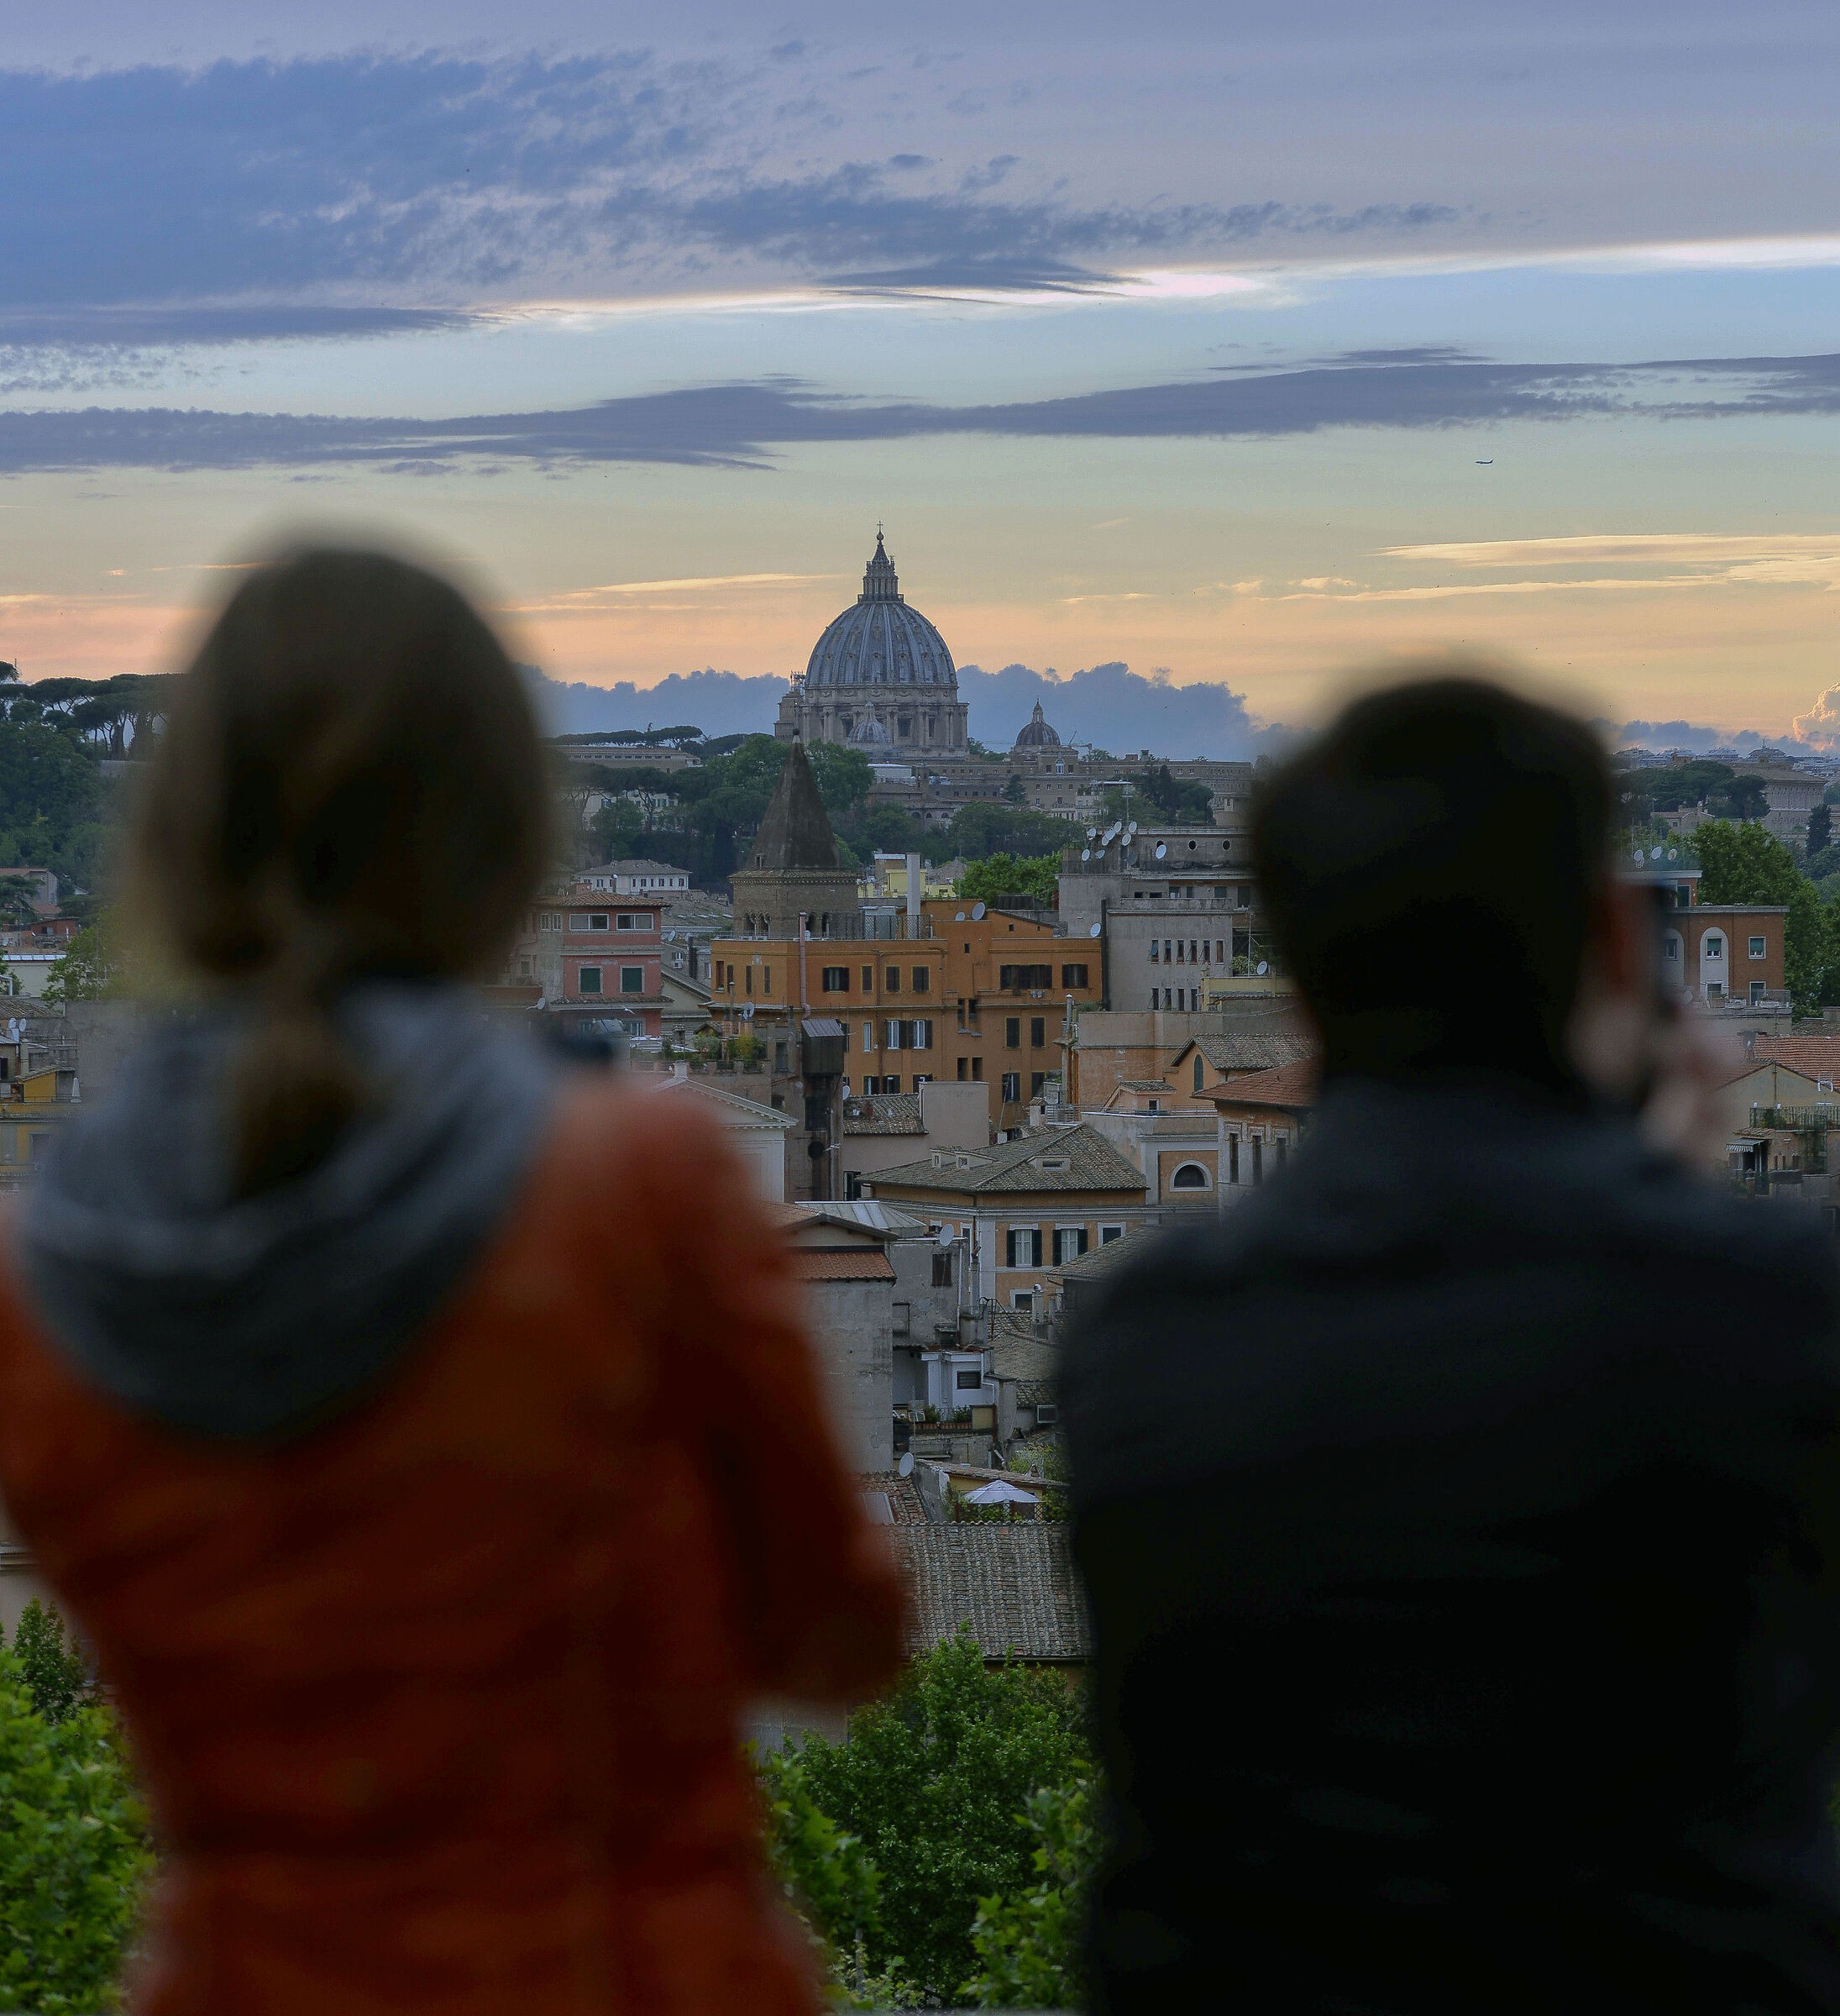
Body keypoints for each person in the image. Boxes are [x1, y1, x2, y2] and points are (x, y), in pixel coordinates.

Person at [0, 548, 901, 2014]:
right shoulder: (644, 1188)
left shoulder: (42, 1282)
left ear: (174, 840)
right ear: (505, 833)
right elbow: (832, 1635)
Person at [1064, 675, 1840, 2013]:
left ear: (1298, 980)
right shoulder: (1764, 1307)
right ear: (1611, 936)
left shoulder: (1142, 1336)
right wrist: (1682, 1199)